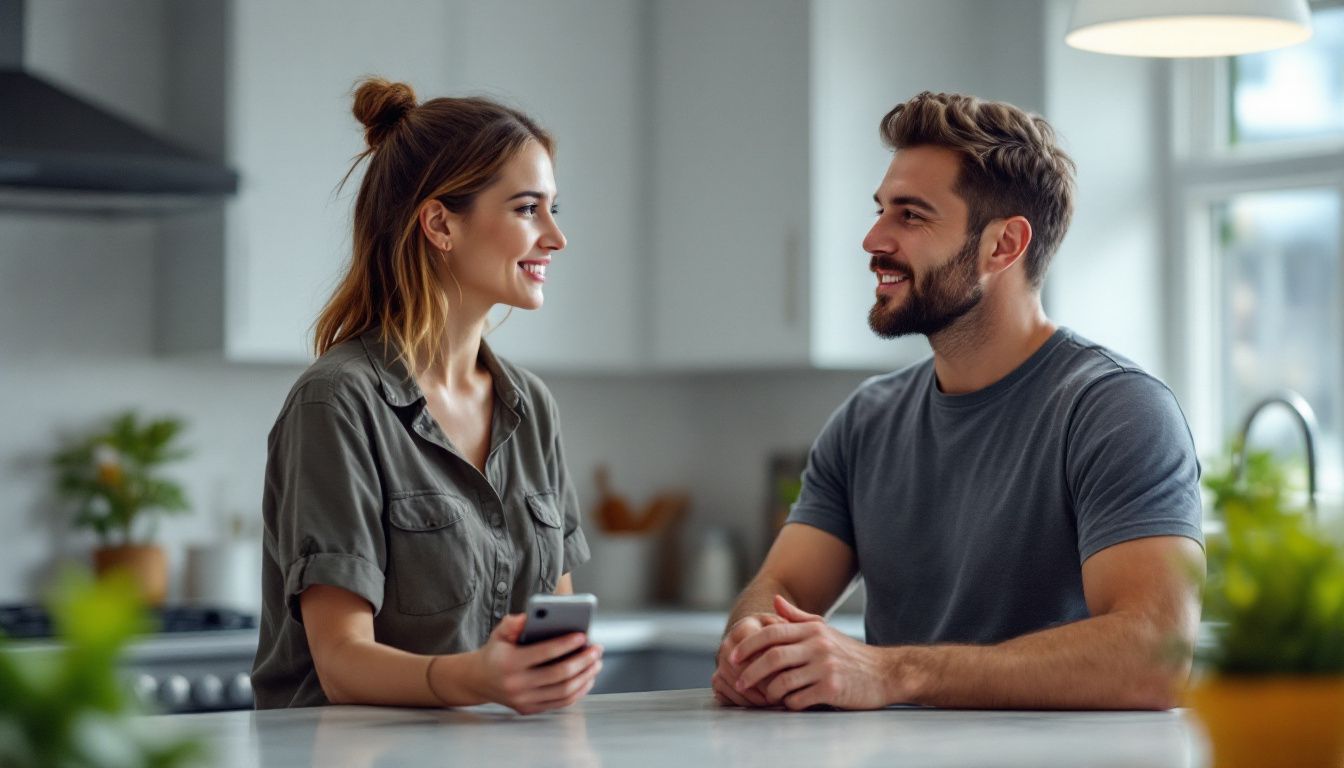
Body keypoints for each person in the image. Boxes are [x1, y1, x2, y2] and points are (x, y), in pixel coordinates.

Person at [712, 91, 1205, 712]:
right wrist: (753, 643)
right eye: (881, 210)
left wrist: (896, 672)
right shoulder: (867, 420)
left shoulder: (1118, 412)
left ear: (1003, 246)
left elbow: (1154, 657)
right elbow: (781, 585)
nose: (873, 238)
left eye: (911, 216)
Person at [251, 78, 599, 713]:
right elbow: (341, 663)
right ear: (440, 223)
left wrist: (558, 670)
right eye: (527, 209)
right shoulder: (337, 403)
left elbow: (558, 622)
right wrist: (480, 679)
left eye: (554, 209)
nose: (555, 236)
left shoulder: (532, 406)